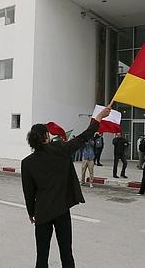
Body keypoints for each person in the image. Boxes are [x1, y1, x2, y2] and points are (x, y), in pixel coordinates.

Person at [21, 105, 111, 268]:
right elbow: (84, 137)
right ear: (46, 137)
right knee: (66, 253)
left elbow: (28, 192)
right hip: (62, 210)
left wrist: (31, 212)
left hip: (42, 212)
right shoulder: (60, 149)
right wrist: (98, 118)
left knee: (42, 255)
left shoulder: (27, 163)